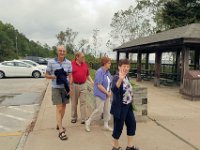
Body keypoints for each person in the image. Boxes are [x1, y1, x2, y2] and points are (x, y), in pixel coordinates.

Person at [45, 45, 72, 141]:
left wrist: (70, 87)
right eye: (60, 51)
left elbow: (70, 75)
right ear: (57, 52)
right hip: (56, 88)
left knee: (64, 107)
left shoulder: (68, 63)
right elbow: (46, 75)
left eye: (63, 51)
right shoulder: (51, 62)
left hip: (65, 88)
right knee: (59, 107)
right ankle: (61, 130)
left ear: (66, 52)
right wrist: (56, 77)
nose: (62, 52)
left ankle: (58, 123)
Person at [110, 59, 139, 150]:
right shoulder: (116, 77)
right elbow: (114, 90)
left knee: (132, 124)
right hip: (120, 107)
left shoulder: (127, 77)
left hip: (128, 106)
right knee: (118, 127)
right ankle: (115, 147)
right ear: (119, 67)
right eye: (124, 66)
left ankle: (130, 147)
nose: (126, 68)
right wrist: (120, 79)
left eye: (127, 66)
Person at [85, 56, 113, 132]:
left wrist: (110, 91)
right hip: (101, 94)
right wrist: (107, 92)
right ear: (105, 63)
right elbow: (99, 85)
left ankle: (106, 125)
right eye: (109, 63)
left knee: (107, 109)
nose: (110, 64)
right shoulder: (99, 72)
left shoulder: (107, 72)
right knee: (99, 110)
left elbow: (110, 82)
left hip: (107, 94)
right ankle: (88, 122)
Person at [71, 52, 94, 124]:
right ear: (77, 57)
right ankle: (74, 117)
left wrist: (92, 81)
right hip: (74, 85)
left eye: (84, 57)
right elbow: (69, 75)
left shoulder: (85, 65)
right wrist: (69, 85)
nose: (84, 58)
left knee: (83, 102)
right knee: (74, 103)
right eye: (82, 57)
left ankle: (83, 118)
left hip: (83, 85)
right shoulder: (72, 64)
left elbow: (87, 75)